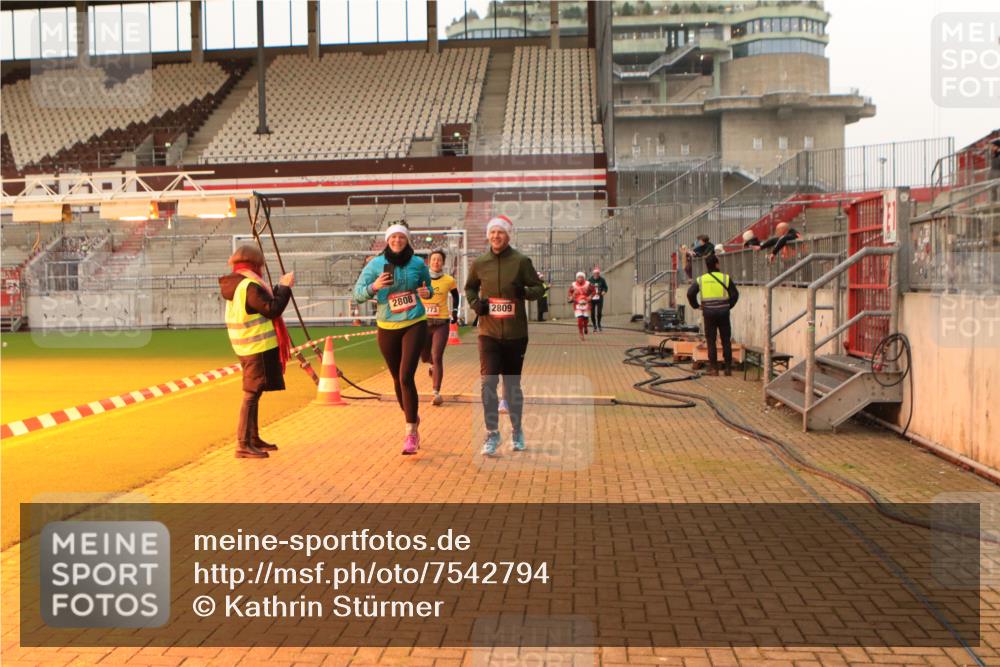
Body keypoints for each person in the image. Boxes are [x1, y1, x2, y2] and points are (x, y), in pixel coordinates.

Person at [465, 215, 545, 456]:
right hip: (488, 332)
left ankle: (517, 429)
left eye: (501, 232)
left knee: (511, 386)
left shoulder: (521, 261)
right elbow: (469, 287)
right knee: (488, 382)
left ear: (508, 235)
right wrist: (474, 303)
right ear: (488, 236)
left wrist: (524, 291)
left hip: (515, 334)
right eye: (492, 232)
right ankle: (492, 433)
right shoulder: (480, 263)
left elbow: (539, 289)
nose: (496, 236)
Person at [353, 221, 433, 455]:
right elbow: (357, 294)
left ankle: (410, 433)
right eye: (393, 238)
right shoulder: (376, 264)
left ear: (407, 240)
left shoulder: (418, 262)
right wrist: (374, 287)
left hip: (414, 322)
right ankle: (412, 416)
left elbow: (428, 286)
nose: (397, 241)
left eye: (402, 237)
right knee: (397, 380)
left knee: (406, 376)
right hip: (387, 325)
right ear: (387, 240)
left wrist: (427, 292)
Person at [219, 245, 294, 459]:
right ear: (255, 263)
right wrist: (284, 287)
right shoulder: (249, 285)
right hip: (257, 348)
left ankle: (252, 438)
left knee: (255, 392)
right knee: (251, 394)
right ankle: (243, 443)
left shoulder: (236, 283)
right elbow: (272, 309)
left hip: (245, 346)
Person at [687, 254, 740, 376]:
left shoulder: (701, 279)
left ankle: (714, 368)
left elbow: (690, 293)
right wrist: (728, 306)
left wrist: (696, 305)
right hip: (723, 312)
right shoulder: (725, 278)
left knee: (711, 340)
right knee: (726, 339)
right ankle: (727, 368)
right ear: (717, 264)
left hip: (709, 312)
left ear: (707, 266)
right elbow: (735, 294)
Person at [420, 248, 460, 406]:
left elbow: (456, 296)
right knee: (424, 357)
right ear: (429, 262)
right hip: (422, 323)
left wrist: (455, 311)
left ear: (443, 263)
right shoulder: (421, 279)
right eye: (434, 259)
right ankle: (431, 366)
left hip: (441, 323)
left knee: (437, 356)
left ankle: (436, 392)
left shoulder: (449, 280)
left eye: (439, 260)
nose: (436, 262)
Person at [568, 271, 596, 341]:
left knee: (585, 319)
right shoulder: (573, 285)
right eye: (578, 277)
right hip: (577, 303)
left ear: (584, 278)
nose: (580, 279)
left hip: (586, 303)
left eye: (581, 277)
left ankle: (585, 326)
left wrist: (590, 297)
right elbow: (569, 292)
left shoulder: (588, 284)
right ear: (576, 278)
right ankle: (581, 333)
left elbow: (594, 291)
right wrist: (570, 297)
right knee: (580, 319)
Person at [587, 267, 608, 332]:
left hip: (599, 298)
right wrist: (589, 296)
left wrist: (604, 291)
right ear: (593, 274)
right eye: (595, 273)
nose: (596, 275)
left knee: (599, 312)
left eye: (598, 273)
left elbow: (605, 287)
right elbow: (587, 289)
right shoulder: (590, 280)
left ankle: (599, 324)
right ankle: (594, 325)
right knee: (592, 313)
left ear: (599, 274)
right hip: (592, 299)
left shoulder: (602, 280)